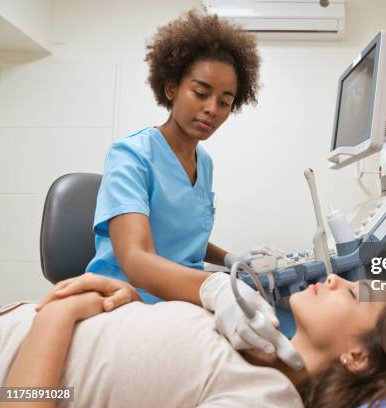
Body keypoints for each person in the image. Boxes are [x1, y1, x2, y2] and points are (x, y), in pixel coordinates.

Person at [83, 9, 280, 353]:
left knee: (276, 326)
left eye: (224, 101)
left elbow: (183, 232)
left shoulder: (204, 163)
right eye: (200, 93)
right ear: (171, 87)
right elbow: (137, 259)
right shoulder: (131, 155)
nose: (212, 109)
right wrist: (217, 287)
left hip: (184, 303)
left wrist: (231, 258)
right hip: (130, 302)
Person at [0, 273, 386, 408]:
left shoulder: (266, 400)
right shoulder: (260, 349)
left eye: (356, 296)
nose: (335, 279)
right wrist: (127, 309)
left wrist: (60, 318)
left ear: (357, 355)